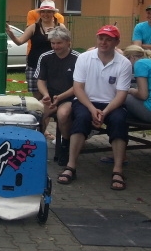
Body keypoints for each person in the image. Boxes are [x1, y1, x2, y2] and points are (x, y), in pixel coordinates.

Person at [57, 25, 133, 190]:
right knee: (81, 118)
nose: (103, 42)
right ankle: (71, 166)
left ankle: (118, 170)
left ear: (117, 42)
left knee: (119, 121)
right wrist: (92, 109)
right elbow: (78, 88)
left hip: (112, 103)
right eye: (101, 38)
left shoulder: (124, 63)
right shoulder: (84, 58)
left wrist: (105, 112)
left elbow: (121, 95)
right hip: (86, 101)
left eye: (108, 39)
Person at [7, 0, 65, 103]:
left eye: (49, 12)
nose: (45, 14)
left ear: (53, 13)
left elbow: (67, 44)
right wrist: (11, 34)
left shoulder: (60, 27)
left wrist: (56, 34)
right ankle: (39, 112)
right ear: (40, 13)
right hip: (34, 65)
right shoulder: (33, 27)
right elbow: (19, 42)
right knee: (37, 97)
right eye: (43, 12)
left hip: (54, 66)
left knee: (52, 94)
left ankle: (50, 112)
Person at [35, 27, 80, 150]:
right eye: (53, 43)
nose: (55, 46)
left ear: (68, 42)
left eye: (59, 43)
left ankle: (65, 143)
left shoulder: (78, 58)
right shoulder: (45, 57)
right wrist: (45, 95)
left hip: (71, 97)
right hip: (50, 97)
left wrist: (60, 97)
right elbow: (41, 80)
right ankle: (36, 143)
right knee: (36, 113)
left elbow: (79, 85)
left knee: (63, 114)